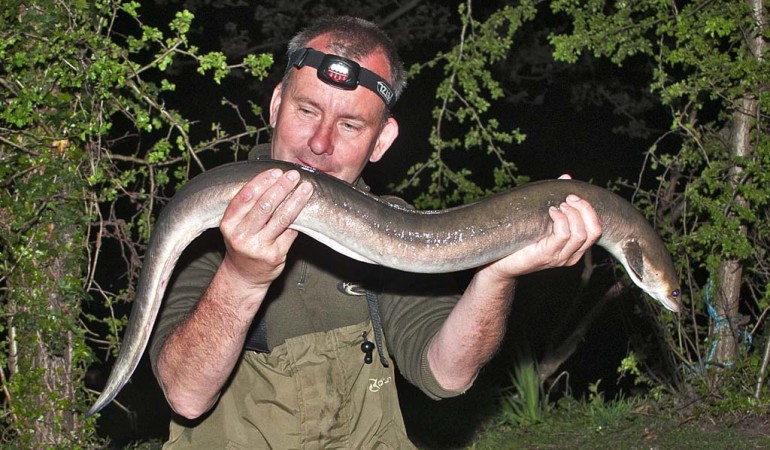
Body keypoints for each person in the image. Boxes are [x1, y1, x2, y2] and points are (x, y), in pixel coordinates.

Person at [149, 16, 602, 449]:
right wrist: (241, 277)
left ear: (381, 140)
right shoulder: (210, 223)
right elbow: (185, 396)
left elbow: (446, 374)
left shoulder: (397, 230)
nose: (320, 142)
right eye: (307, 110)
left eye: (349, 125)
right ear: (276, 106)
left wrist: (498, 274)